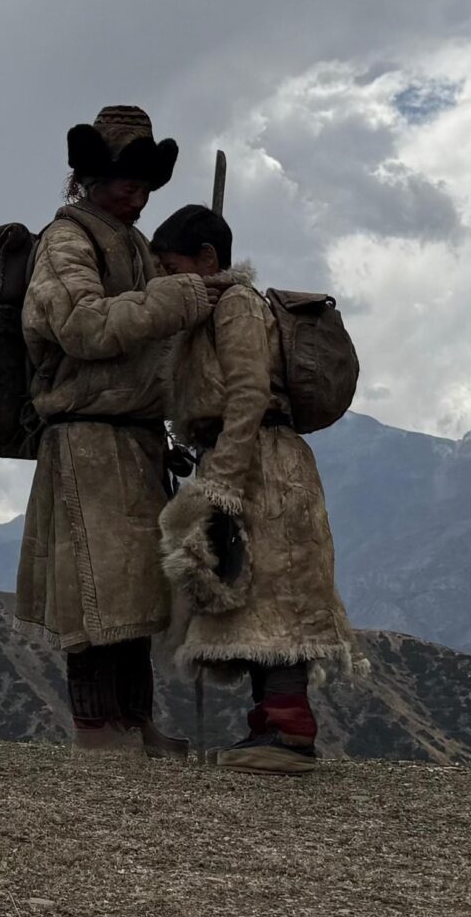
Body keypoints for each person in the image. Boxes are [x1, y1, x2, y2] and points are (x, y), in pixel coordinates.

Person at [14, 106, 217, 755]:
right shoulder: (66, 241)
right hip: (86, 438)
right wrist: (180, 297)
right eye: (128, 183)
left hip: (134, 436)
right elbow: (83, 326)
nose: (138, 196)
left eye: (145, 185)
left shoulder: (131, 244)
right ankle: (98, 728)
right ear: (91, 178)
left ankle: (135, 720)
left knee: (135, 589)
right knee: (95, 591)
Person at [150, 205, 363, 776]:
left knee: (277, 596)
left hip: (262, 468)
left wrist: (223, 479)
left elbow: (248, 392)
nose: (165, 279)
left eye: (171, 267)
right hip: (244, 460)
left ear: (207, 259)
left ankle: (289, 730)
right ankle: (270, 725)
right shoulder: (208, 315)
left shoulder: (237, 306)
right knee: (251, 596)